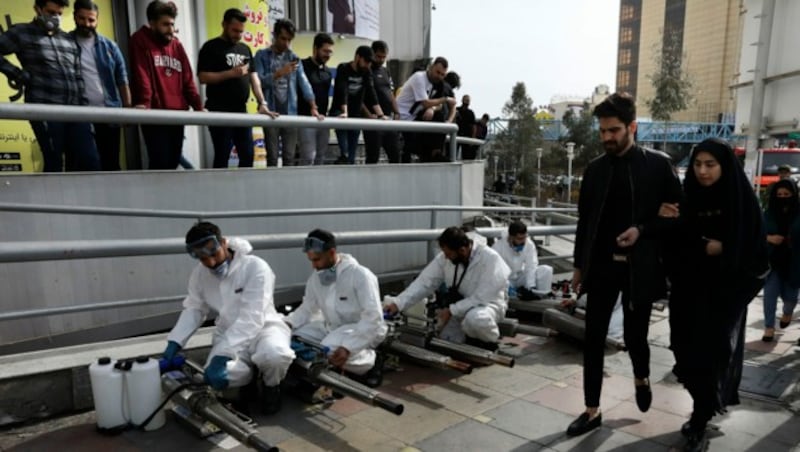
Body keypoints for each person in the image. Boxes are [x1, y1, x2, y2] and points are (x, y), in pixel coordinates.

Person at [567, 92, 682, 437]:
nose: (606, 138)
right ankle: (591, 410)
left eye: (613, 130)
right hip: (601, 265)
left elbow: (679, 215)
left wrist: (643, 228)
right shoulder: (595, 169)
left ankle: (641, 377)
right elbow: (585, 222)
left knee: (635, 337)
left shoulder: (658, 165)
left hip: (640, 266)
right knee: (593, 338)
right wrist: (578, 266)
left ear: (632, 126)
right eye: (602, 131)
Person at [659, 138, 768, 451]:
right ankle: (703, 403)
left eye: (710, 164)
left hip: (723, 296)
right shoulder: (686, 198)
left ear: (724, 166)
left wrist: (725, 248)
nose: (703, 171)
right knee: (682, 349)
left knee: (710, 356)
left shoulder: (742, 202)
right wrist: (670, 223)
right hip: (687, 292)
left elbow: (758, 253)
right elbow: (674, 244)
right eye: (697, 164)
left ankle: (700, 416)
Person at [162, 222, 295, 414]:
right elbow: (195, 308)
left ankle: (271, 387)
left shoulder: (255, 267)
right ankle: (249, 380)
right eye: (202, 259)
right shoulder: (199, 275)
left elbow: (252, 318)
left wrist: (222, 355)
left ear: (224, 243)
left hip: (264, 329)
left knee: (275, 356)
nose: (210, 263)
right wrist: (175, 341)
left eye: (213, 255)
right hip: (227, 332)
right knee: (216, 376)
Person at [0, 0, 100, 172]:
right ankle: (51, 200)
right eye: (50, 12)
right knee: (54, 162)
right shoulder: (21, 32)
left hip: (76, 112)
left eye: (59, 14)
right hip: (45, 107)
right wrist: (18, 74)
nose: (55, 17)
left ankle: (80, 199)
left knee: (89, 161)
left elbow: (78, 76)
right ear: (37, 9)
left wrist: (85, 109)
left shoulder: (68, 39)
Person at [284, 229, 387, 387]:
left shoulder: (360, 275)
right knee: (294, 337)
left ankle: (372, 362)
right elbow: (307, 308)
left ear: (331, 252)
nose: (314, 266)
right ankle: (324, 366)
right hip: (331, 327)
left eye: (317, 260)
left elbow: (373, 318)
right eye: (311, 260)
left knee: (328, 350)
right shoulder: (315, 279)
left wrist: (348, 347)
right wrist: (288, 325)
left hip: (361, 328)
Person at [384, 226, 511, 351]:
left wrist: (451, 311)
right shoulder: (446, 258)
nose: (445, 257)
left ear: (462, 250)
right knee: (446, 341)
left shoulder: (490, 259)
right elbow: (424, 283)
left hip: (486, 306)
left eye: (448, 254)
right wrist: (398, 303)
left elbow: (482, 297)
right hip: (457, 307)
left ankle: (490, 342)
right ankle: (469, 338)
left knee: (476, 320)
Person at [197, 8, 276, 169]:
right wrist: (230, 74)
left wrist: (262, 103)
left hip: (241, 111)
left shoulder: (245, 49)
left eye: (241, 32)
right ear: (224, 25)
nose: (238, 35)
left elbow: (254, 79)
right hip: (218, 110)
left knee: (248, 155)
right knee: (222, 155)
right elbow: (203, 77)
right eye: (234, 30)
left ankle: (243, 191)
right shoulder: (210, 47)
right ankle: (220, 192)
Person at [129, 1, 203, 170]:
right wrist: (144, 104)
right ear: (152, 23)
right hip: (154, 113)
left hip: (176, 113)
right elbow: (142, 75)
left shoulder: (176, 45)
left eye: (172, 24)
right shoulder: (140, 40)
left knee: (173, 161)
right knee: (159, 162)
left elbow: (187, 79)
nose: (170, 29)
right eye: (165, 24)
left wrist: (198, 106)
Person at [70, 0, 131, 171]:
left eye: (91, 20)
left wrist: (127, 110)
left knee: (111, 163)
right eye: (82, 18)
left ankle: (112, 197)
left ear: (97, 20)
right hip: (79, 114)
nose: (86, 24)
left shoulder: (110, 46)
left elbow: (122, 79)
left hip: (109, 113)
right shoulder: (66, 43)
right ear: (75, 17)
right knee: (87, 162)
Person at [253, 18, 319, 168]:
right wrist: (280, 73)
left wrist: (313, 106)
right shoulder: (261, 56)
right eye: (283, 39)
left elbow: (304, 83)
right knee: (272, 157)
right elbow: (258, 82)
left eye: (289, 40)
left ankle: (287, 190)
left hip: (290, 113)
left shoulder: (293, 57)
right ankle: (272, 190)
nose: (286, 43)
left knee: (289, 158)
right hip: (270, 113)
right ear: (274, 35)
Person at [330, 45, 385, 164]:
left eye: (370, 62)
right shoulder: (343, 68)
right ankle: (344, 159)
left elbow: (371, 92)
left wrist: (381, 115)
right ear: (357, 57)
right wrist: (345, 111)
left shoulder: (367, 72)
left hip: (355, 114)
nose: (368, 65)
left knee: (352, 153)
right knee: (345, 150)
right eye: (366, 61)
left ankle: (348, 168)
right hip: (340, 112)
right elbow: (342, 90)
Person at [395, 57, 455, 163]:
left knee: (438, 117)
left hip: (416, 117)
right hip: (403, 117)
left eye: (442, 74)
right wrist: (444, 99)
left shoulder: (439, 83)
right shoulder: (419, 78)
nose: (439, 76)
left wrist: (432, 108)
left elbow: (439, 105)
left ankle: (436, 152)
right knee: (410, 147)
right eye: (438, 72)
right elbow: (425, 102)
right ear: (431, 67)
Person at [492, 221, 553, 299]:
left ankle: (542, 297)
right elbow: (495, 272)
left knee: (546, 270)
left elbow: (531, 266)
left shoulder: (529, 244)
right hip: (507, 280)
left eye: (525, 237)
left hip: (520, 277)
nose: (523, 241)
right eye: (520, 239)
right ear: (511, 237)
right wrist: (507, 286)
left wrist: (530, 286)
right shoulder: (498, 247)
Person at [298, 33, 334, 165]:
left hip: (323, 121)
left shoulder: (328, 72)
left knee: (321, 157)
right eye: (325, 51)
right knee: (308, 157)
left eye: (330, 52)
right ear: (315, 49)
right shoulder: (302, 66)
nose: (328, 55)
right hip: (305, 119)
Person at [363, 40, 400, 164]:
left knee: (395, 155)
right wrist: (368, 115)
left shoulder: (385, 71)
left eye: (384, 57)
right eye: (378, 56)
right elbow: (361, 97)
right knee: (373, 157)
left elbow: (390, 93)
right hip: (373, 121)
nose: (381, 60)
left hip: (388, 120)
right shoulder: (365, 70)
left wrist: (397, 112)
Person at [456, 95, 477, 160]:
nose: (466, 102)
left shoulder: (471, 113)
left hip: (467, 136)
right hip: (457, 135)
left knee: (466, 156)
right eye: (465, 100)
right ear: (462, 100)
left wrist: (473, 138)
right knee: (453, 153)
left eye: (468, 100)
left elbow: (474, 126)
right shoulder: (457, 110)